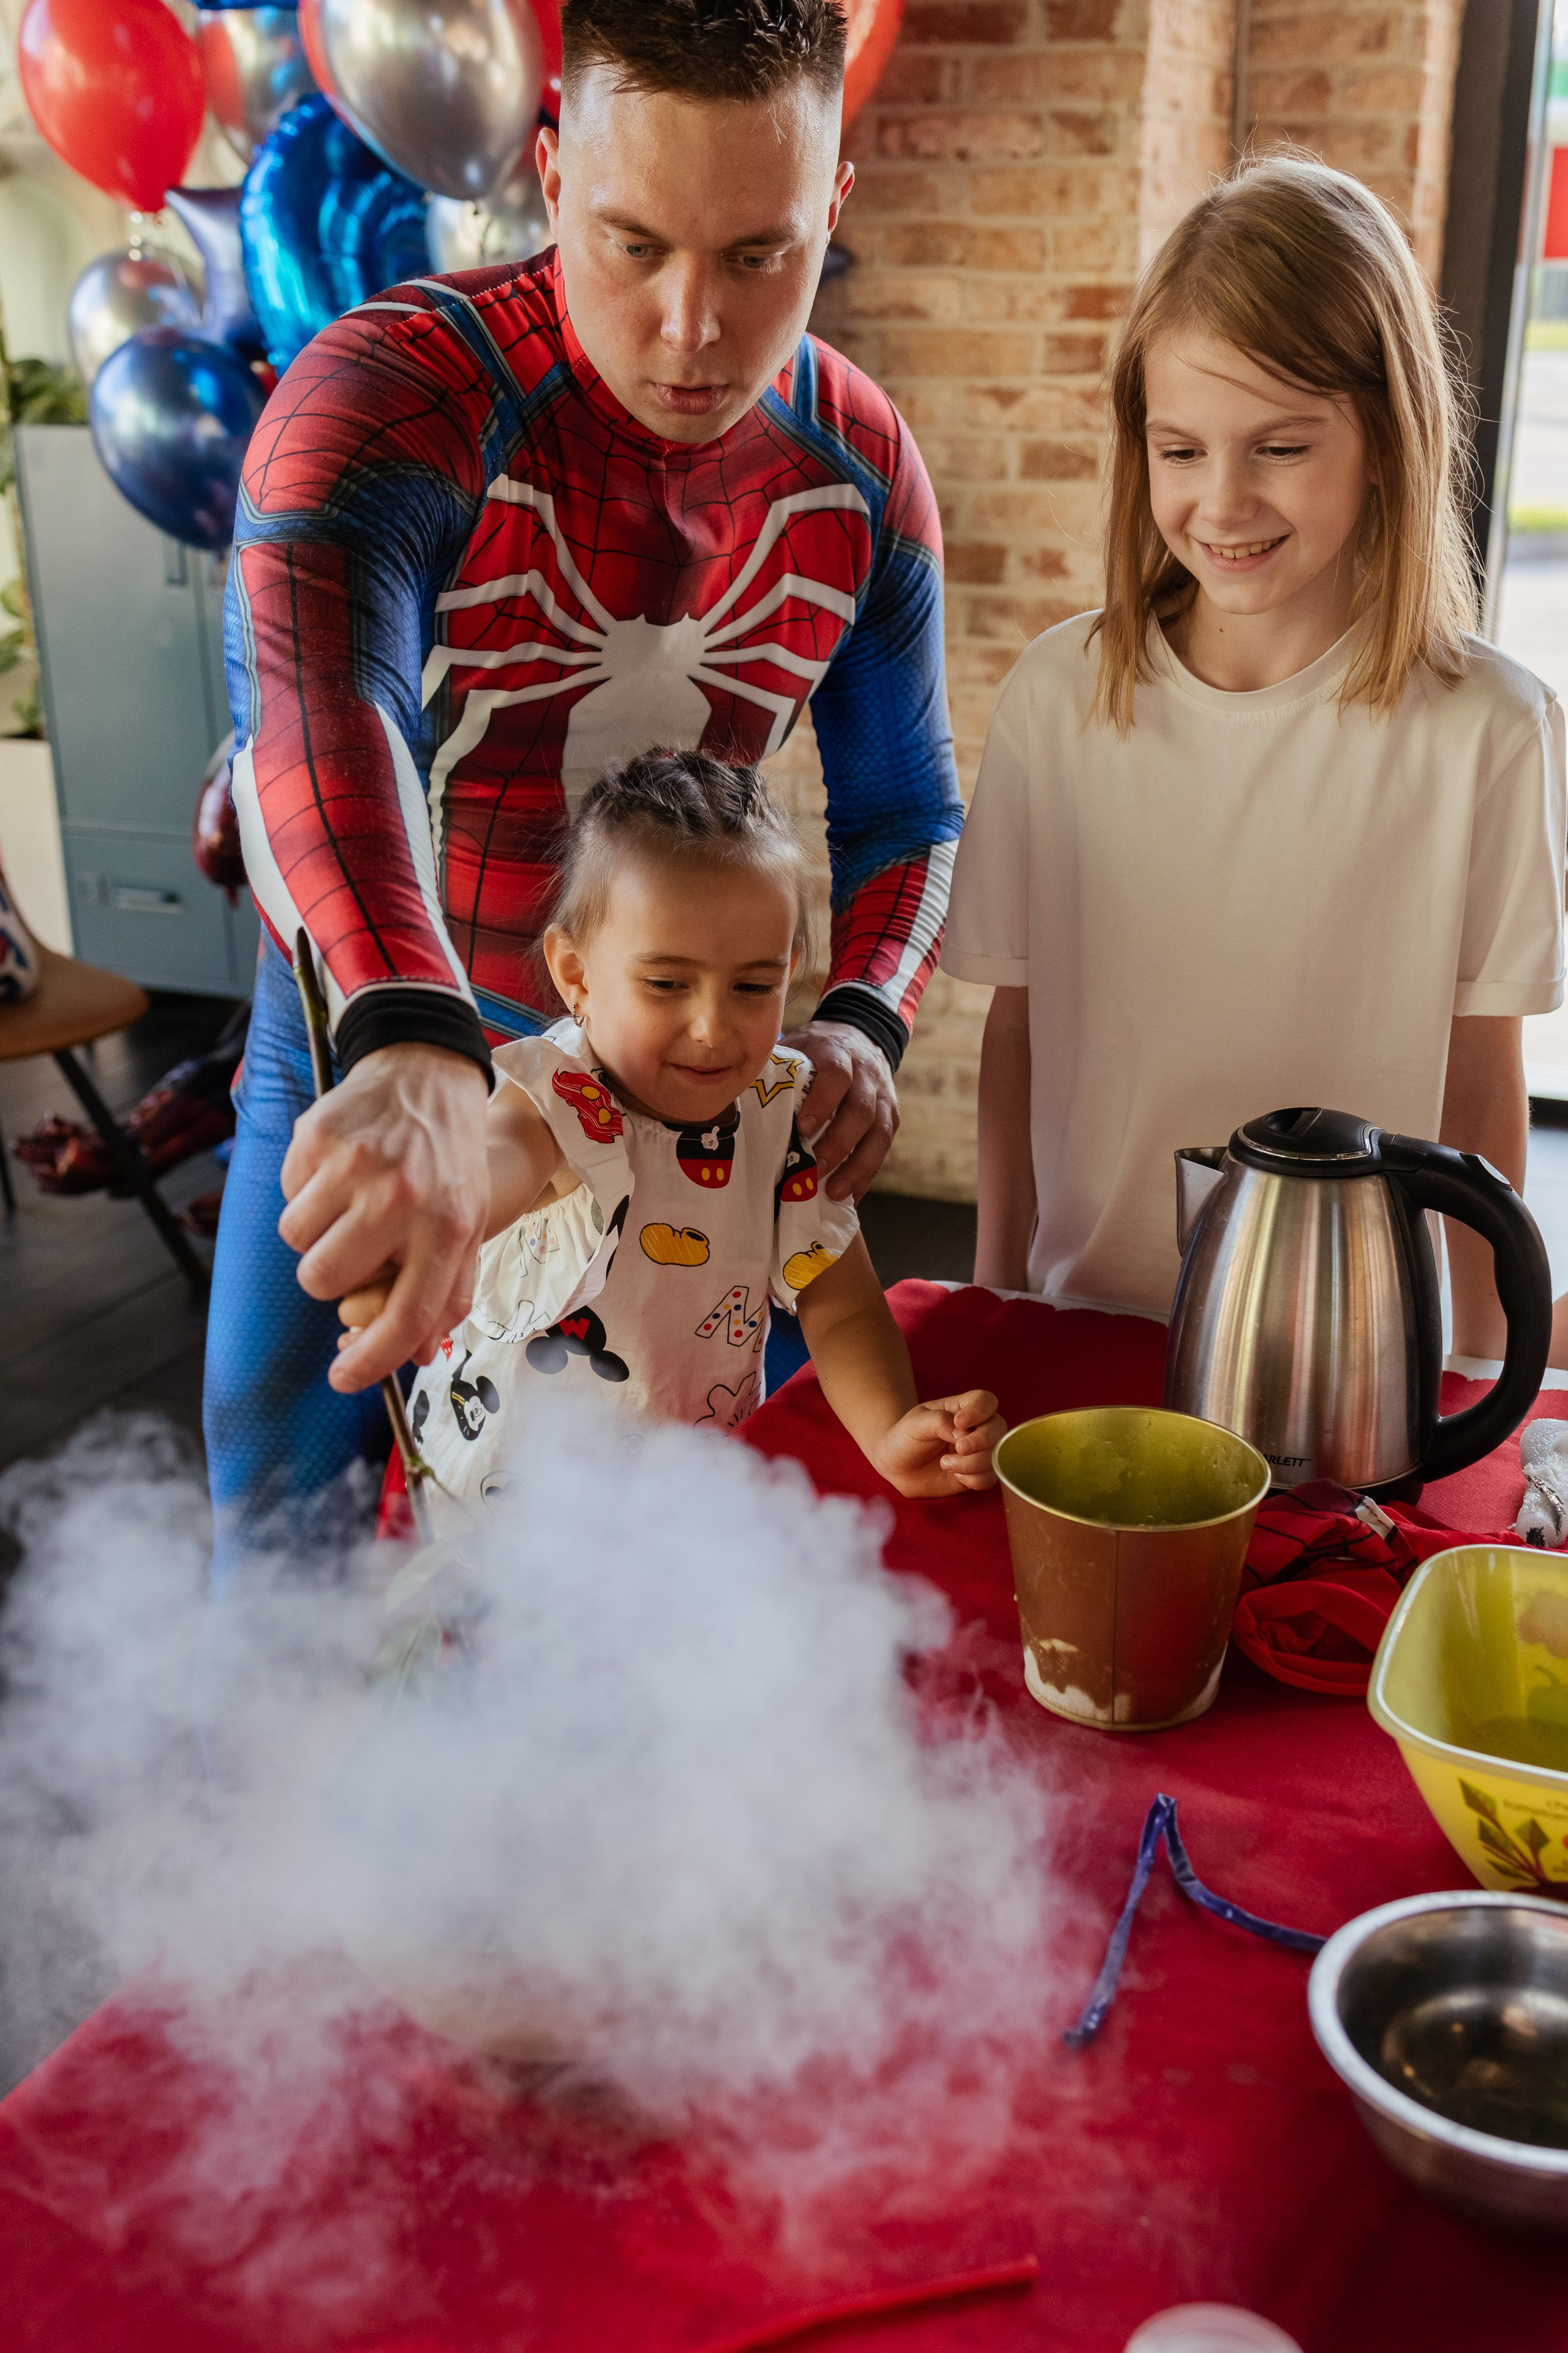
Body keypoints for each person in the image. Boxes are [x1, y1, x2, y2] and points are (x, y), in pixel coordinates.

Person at [206, 0, 963, 1563]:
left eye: (756, 255)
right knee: (285, 1518)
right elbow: (318, 709)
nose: (692, 326)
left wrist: (863, 1017)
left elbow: (908, 808)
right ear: (550, 175)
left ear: (832, 207)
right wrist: (404, 1029)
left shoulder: (862, 467)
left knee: (676, 1544)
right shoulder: (388, 393)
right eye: (633, 244)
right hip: (378, 1044)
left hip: (680, 1087)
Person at [943, 156, 1567, 1356]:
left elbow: (1483, 1085)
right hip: (1085, 1323)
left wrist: (1480, 1365)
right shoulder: (1056, 698)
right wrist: (992, 1300)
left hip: (1357, 1356)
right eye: (1180, 451)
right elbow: (1015, 1031)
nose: (1221, 504)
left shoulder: (1492, 729)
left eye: (1278, 448)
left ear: (1385, 437)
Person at [339, 753, 1003, 1527]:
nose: (713, 1028)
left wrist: (890, 1430)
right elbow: (488, 1170)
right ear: (576, 974)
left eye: (753, 986)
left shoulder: (780, 1111)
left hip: (682, 1507)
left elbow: (843, 1308)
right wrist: (418, 1223)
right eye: (666, 984)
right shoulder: (556, 1096)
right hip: (498, 1516)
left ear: (790, 969)